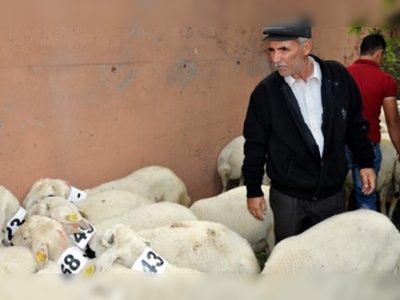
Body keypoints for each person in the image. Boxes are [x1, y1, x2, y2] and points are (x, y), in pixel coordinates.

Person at [242, 22, 376, 244]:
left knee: (331, 254)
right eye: (272, 50)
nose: (275, 59)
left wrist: (365, 162)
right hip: (288, 199)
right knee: (291, 260)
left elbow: (354, 123)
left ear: (306, 47)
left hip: (331, 194)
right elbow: (255, 144)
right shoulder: (265, 93)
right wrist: (253, 190)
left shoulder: (338, 77)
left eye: (284, 49)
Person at [346, 33, 400, 211]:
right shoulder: (386, 81)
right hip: (369, 146)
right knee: (367, 197)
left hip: (341, 145)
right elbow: (392, 123)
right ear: (379, 53)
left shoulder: (343, 75)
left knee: (332, 194)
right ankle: (367, 236)